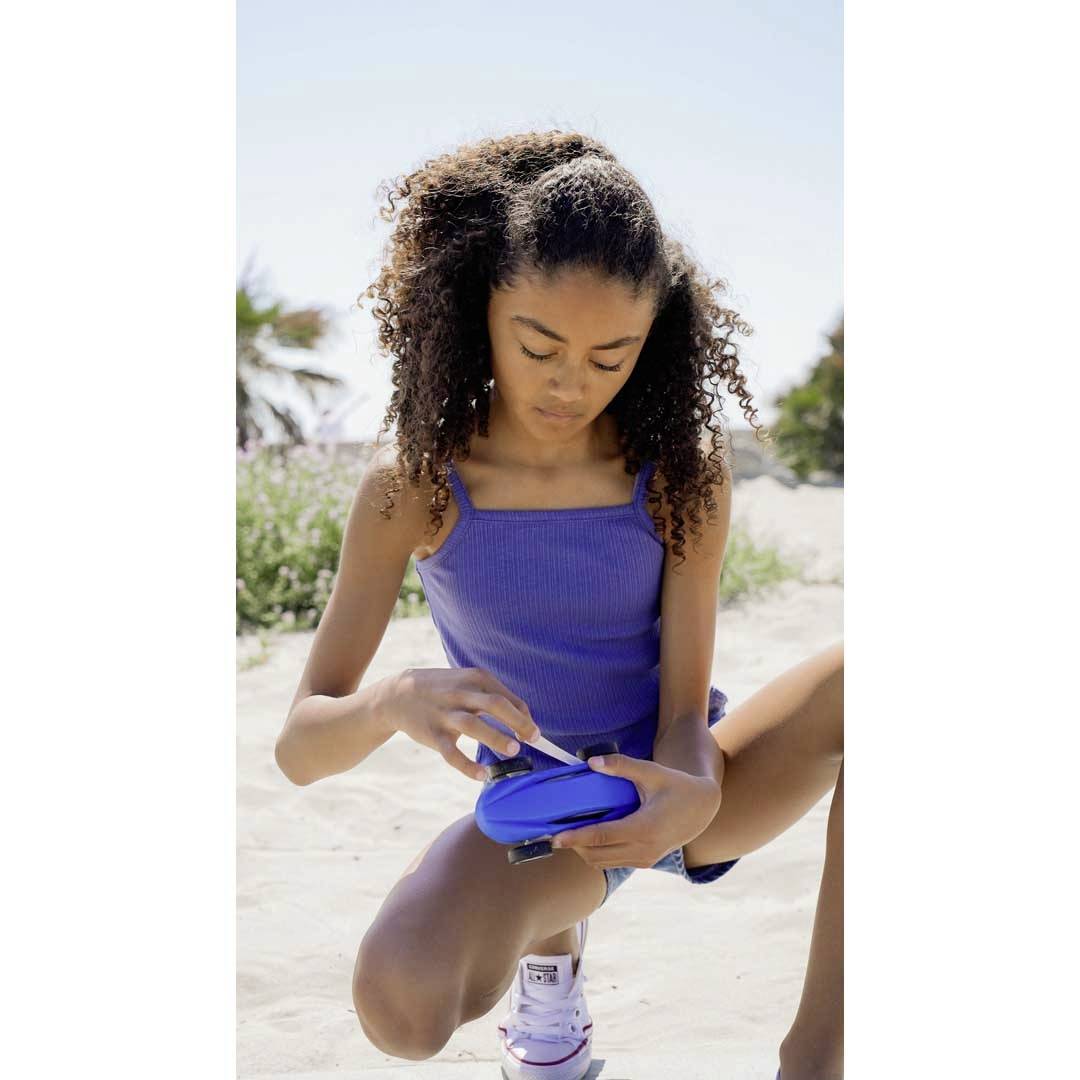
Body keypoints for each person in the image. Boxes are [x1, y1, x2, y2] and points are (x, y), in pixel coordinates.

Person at [274, 130, 843, 1080]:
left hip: (678, 784)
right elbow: (298, 747)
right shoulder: (411, 483)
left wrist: (695, 796)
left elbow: (681, 710)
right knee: (401, 1009)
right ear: (477, 311)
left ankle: (818, 1059)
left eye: (613, 355)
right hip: (548, 820)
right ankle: (554, 954)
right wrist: (391, 701)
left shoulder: (681, 473)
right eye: (539, 346)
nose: (572, 384)